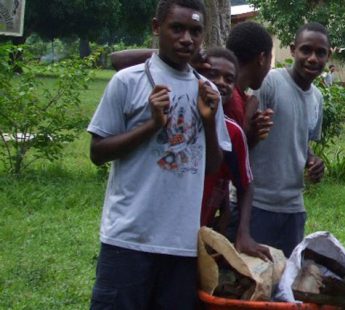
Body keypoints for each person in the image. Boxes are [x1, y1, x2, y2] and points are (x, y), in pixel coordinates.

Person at [86, 0, 230, 308]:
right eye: (176, 28)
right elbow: (97, 152)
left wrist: (207, 120)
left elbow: (213, 166)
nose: (186, 39)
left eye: (195, 31)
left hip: (180, 246)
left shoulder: (208, 92)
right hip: (128, 240)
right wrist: (151, 125)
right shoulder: (128, 81)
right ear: (156, 28)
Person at [247, 22, 327, 257]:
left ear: (328, 55)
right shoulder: (269, 83)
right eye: (306, 50)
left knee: (285, 285)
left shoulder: (317, 98)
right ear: (293, 50)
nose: (312, 58)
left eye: (320, 52)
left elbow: (302, 143)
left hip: (293, 209)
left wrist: (313, 161)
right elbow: (241, 137)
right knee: (255, 285)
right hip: (256, 205)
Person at [197, 47, 271, 260]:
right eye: (212, 75)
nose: (221, 82)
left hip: (203, 228)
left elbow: (245, 185)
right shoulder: (178, 121)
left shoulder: (233, 132)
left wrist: (243, 233)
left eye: (229, 79)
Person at [225, 21, 274, 148]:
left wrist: (253, 134)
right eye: (270, 59)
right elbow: (229, 154)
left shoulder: (238, 97)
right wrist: (247, 117)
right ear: (262, 58)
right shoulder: (232, 101)